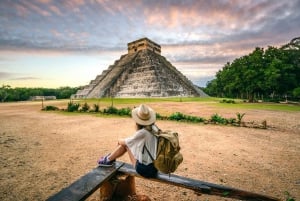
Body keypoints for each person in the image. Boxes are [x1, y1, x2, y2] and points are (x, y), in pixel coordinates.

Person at [98, 104, 159, 178]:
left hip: (145, 170)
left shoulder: (143, 132)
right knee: (127, 144)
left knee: (125, 145)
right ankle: (109, 159)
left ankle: (108, 160)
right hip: (155, 167)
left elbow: (126, 142)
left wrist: (119, 140)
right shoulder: (154, 128)